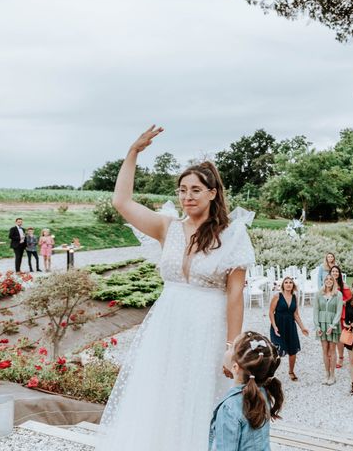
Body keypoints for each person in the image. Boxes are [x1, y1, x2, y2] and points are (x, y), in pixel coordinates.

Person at [95, 126, 255, 451]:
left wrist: (232, 345)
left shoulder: (233, 235)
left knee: (200, 398)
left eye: (195, 190)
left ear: (213, 193)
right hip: (167, 325)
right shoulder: (166, 227)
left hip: (208, 328)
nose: (187, 197)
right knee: (162, 395)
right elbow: (121, 201)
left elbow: (236, 296)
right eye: (182, 190)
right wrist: (133, 152)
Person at [210, 331, 283, 451]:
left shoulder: (229, 408)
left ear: (235, 367)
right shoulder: (262, 393)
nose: (228, 348)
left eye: (231, 347)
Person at [269, 277, 309, 381]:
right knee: (276, 351)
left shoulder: (294, 297)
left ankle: (291, 371)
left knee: (293, 350)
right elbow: (271, 312)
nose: (288, 284)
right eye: (286, 282)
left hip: (290, 326)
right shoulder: (277, 296)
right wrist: (274, 326)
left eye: (290, 282)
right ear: (283, 285)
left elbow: (296, 314)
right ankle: (269, 373)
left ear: (293, 285)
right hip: (278, 326)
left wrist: (302, 328)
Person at [313, 274, 343, 386]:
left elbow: (339, 311)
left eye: (331, 279)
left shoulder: (338, 294)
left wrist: (332, 325)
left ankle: (333, 375)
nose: (329, 281)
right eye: (327, 279)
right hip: (322, 324)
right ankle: (326, 373)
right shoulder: (318, 294)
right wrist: (317, 326)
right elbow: (315, 311)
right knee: (324, 349)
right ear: (324, 281)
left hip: (332, 325)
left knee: (332, 349)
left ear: (334, 281)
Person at [330, 265, 352, 369]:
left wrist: (343, 302)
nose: (334, 273)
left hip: (341, 313)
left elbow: (350, 298)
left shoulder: (344, 285)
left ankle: (341, 357)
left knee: (341, 337)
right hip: (330, 313)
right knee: (332, 336)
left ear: (339, 273)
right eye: (333, 271)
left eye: (336, 271)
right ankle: (332, 355)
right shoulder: (328, 285)